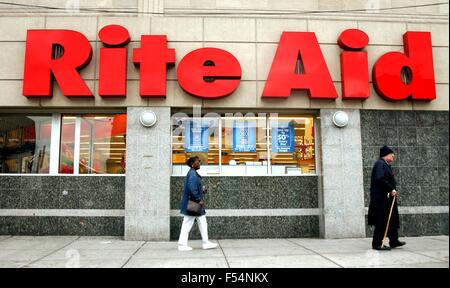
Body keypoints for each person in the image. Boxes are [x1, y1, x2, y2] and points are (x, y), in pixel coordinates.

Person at [368, 146, 406, 250]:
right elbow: (380, 179)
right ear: (386, 155)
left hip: (387, 199)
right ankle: (376, 244)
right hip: (381, 200)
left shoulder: (386, 165)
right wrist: (391, 189)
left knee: (392, 220)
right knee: (382, 221)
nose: (393, 156)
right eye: (391, 155)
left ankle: (394, 241)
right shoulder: (380, 164)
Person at [178, 155, 218, 251]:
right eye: (198, 161)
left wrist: (202, 190)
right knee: (188, 223)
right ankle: (182, 245)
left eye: (200, 161)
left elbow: (194, 187)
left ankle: (205, 242)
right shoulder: (192, 174)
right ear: (192, 164)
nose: (200, 163)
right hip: (193, 204)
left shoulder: (193, 173)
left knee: (202, 222)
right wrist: (198, 199)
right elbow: (192, 188)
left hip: (193, 204)